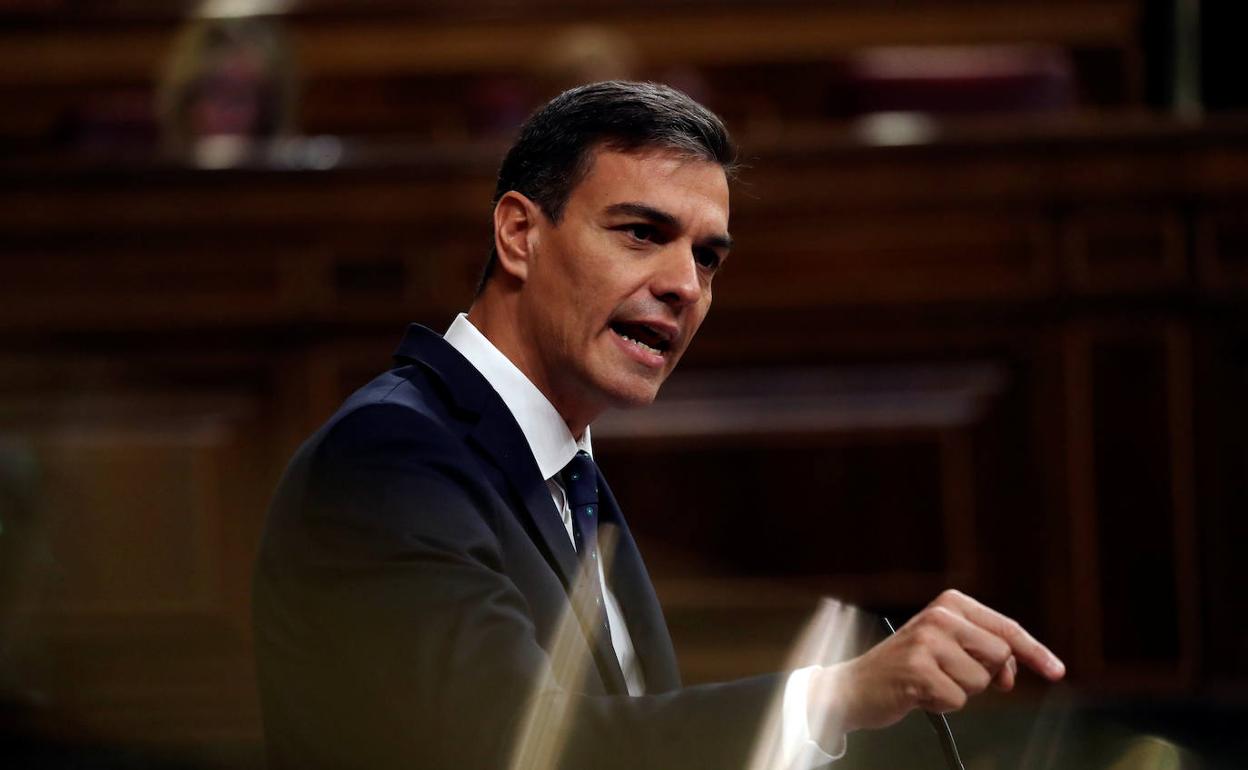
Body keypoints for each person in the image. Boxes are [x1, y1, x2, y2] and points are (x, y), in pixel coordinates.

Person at [252, 80, 1065, 770]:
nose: (684, 285)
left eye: (707, 257)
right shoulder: (390, 460)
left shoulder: (565, 469)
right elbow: (517, 750)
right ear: (519, 234)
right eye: (642, 233)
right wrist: (839, 694)